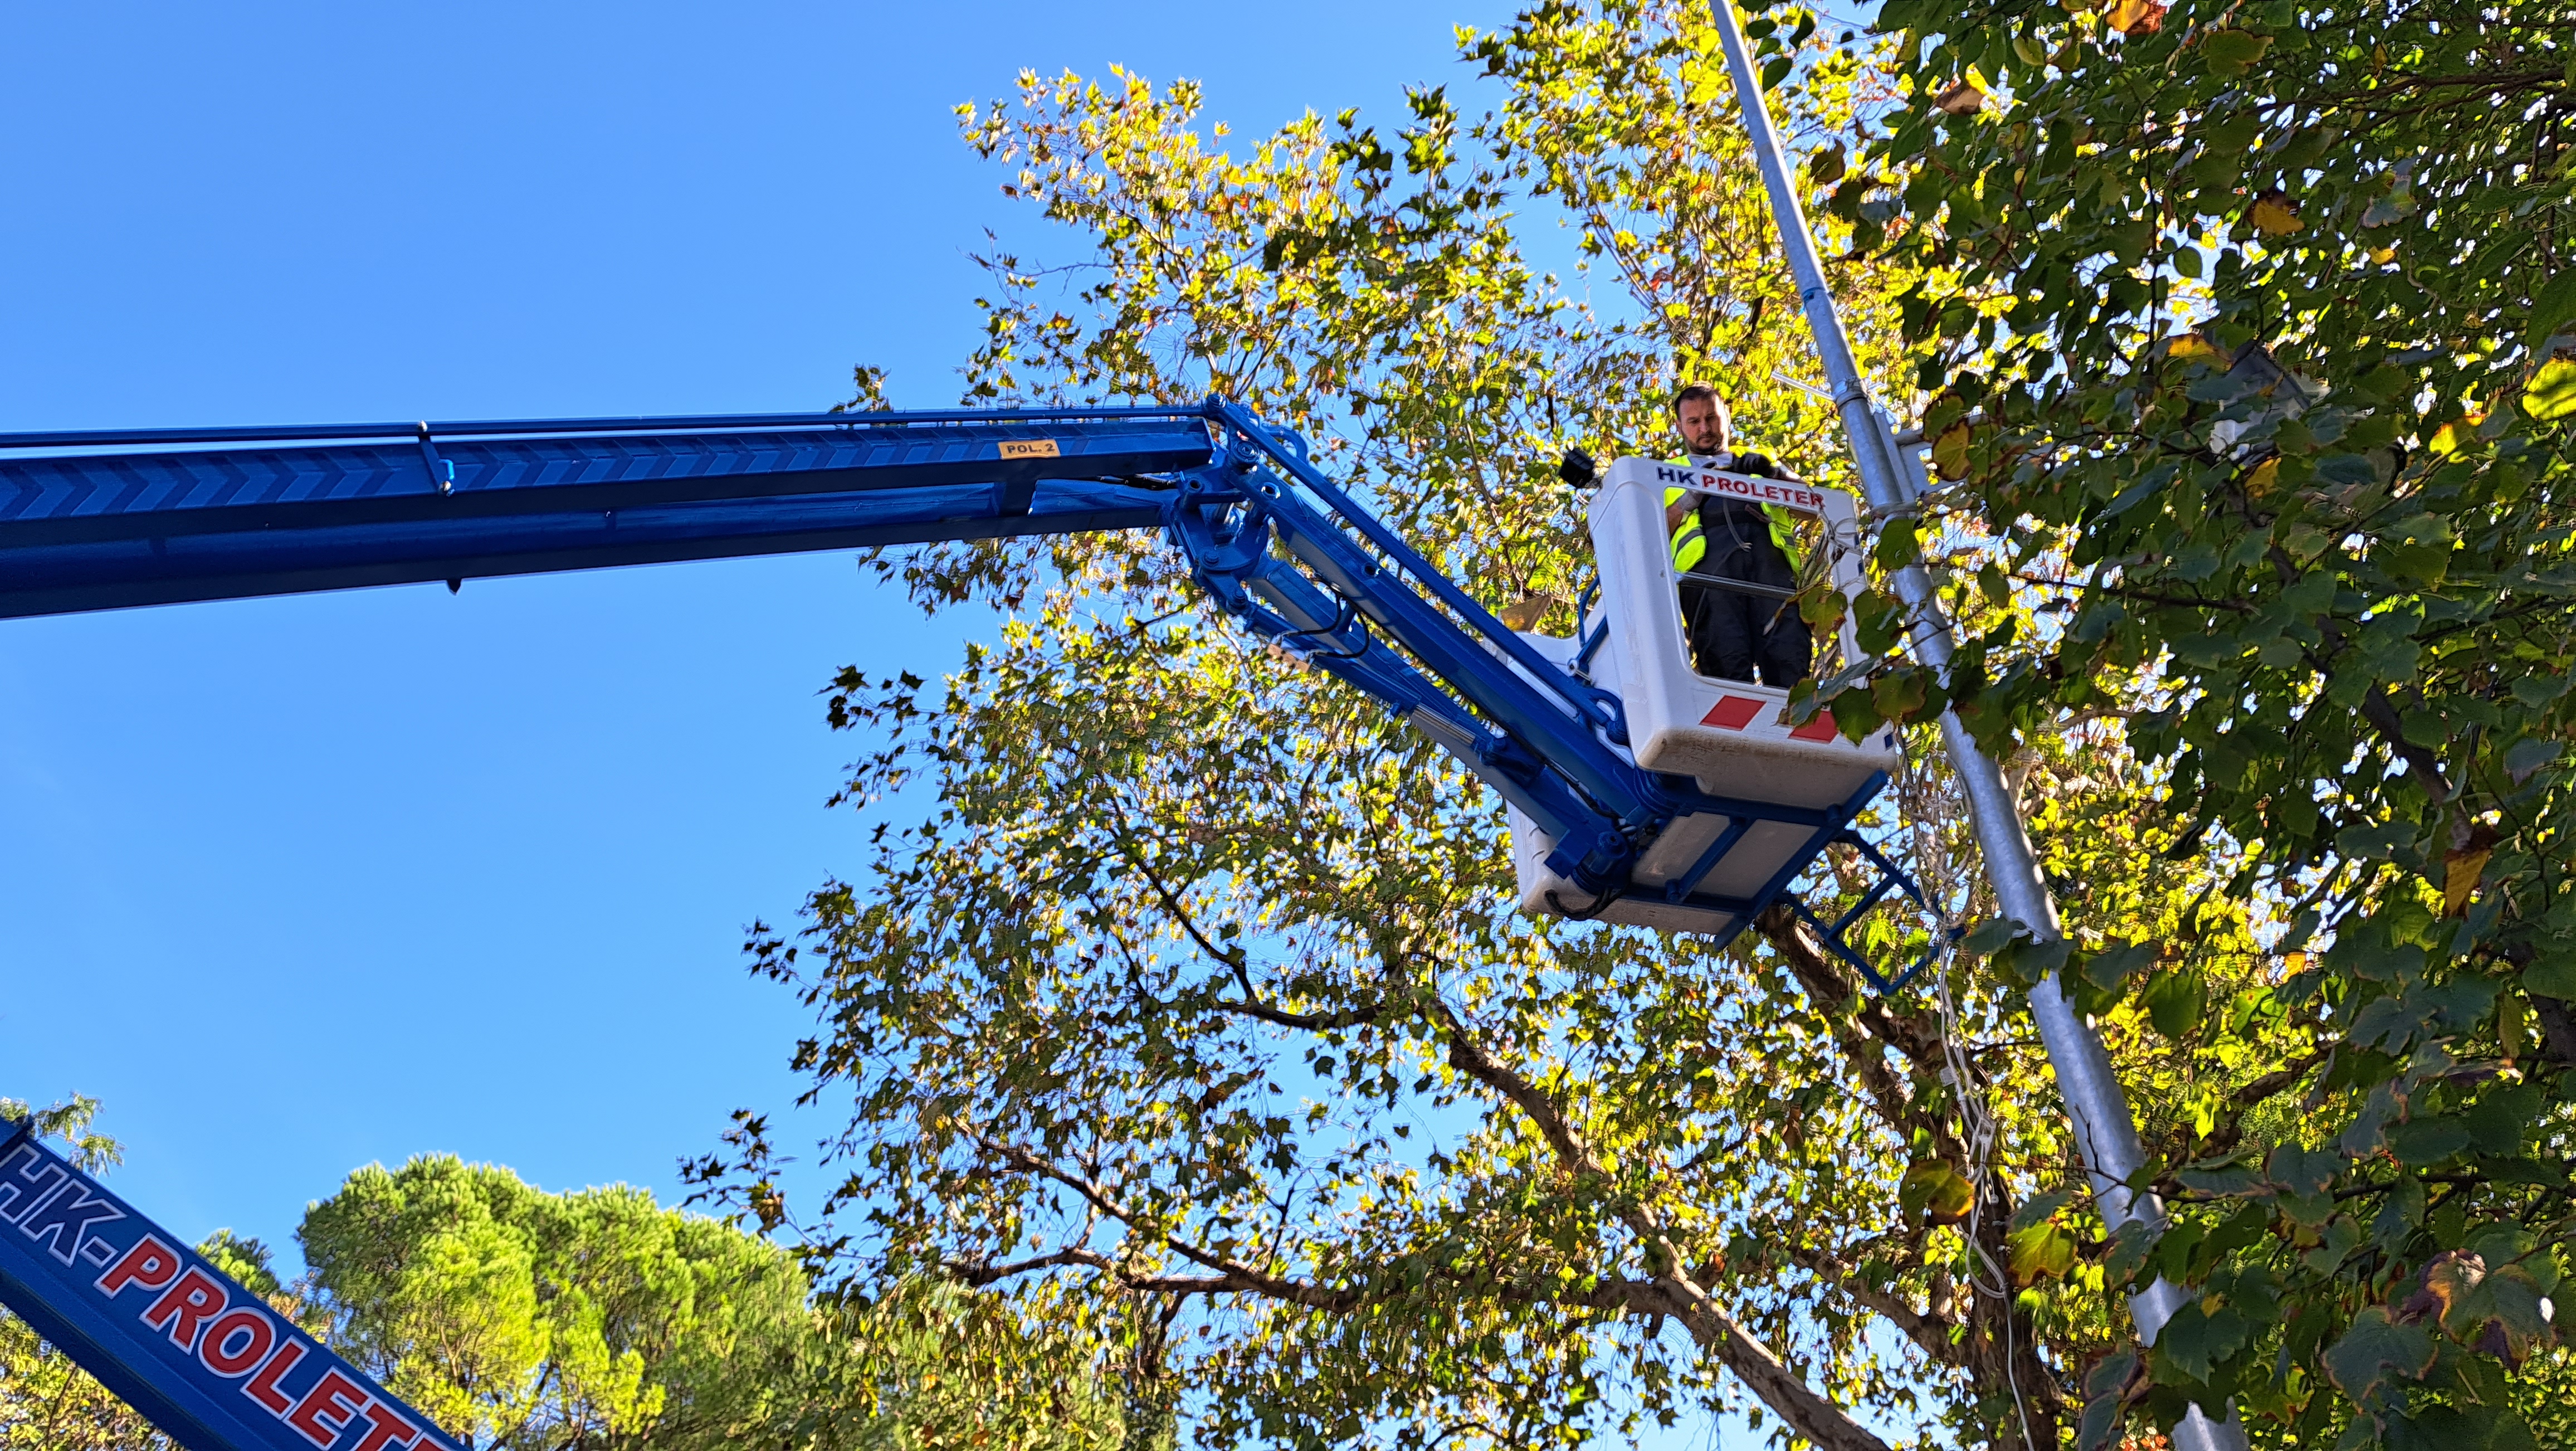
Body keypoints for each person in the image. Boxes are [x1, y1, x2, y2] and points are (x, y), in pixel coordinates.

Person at [1663, 384, 1812, 687]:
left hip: (1773, 577)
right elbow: (1650, 531)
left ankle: (1793, 715)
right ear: (1679, 427)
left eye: (1711, 418)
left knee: (1789, 663)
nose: (1705, 429)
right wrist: (1688, 499)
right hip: (1707, 582)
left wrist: (1775, 476)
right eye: (1694, 422)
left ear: (1727, 416)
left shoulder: (1759, 460)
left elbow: (1813, 507)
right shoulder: (1667, 472)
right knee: (1727, 670)